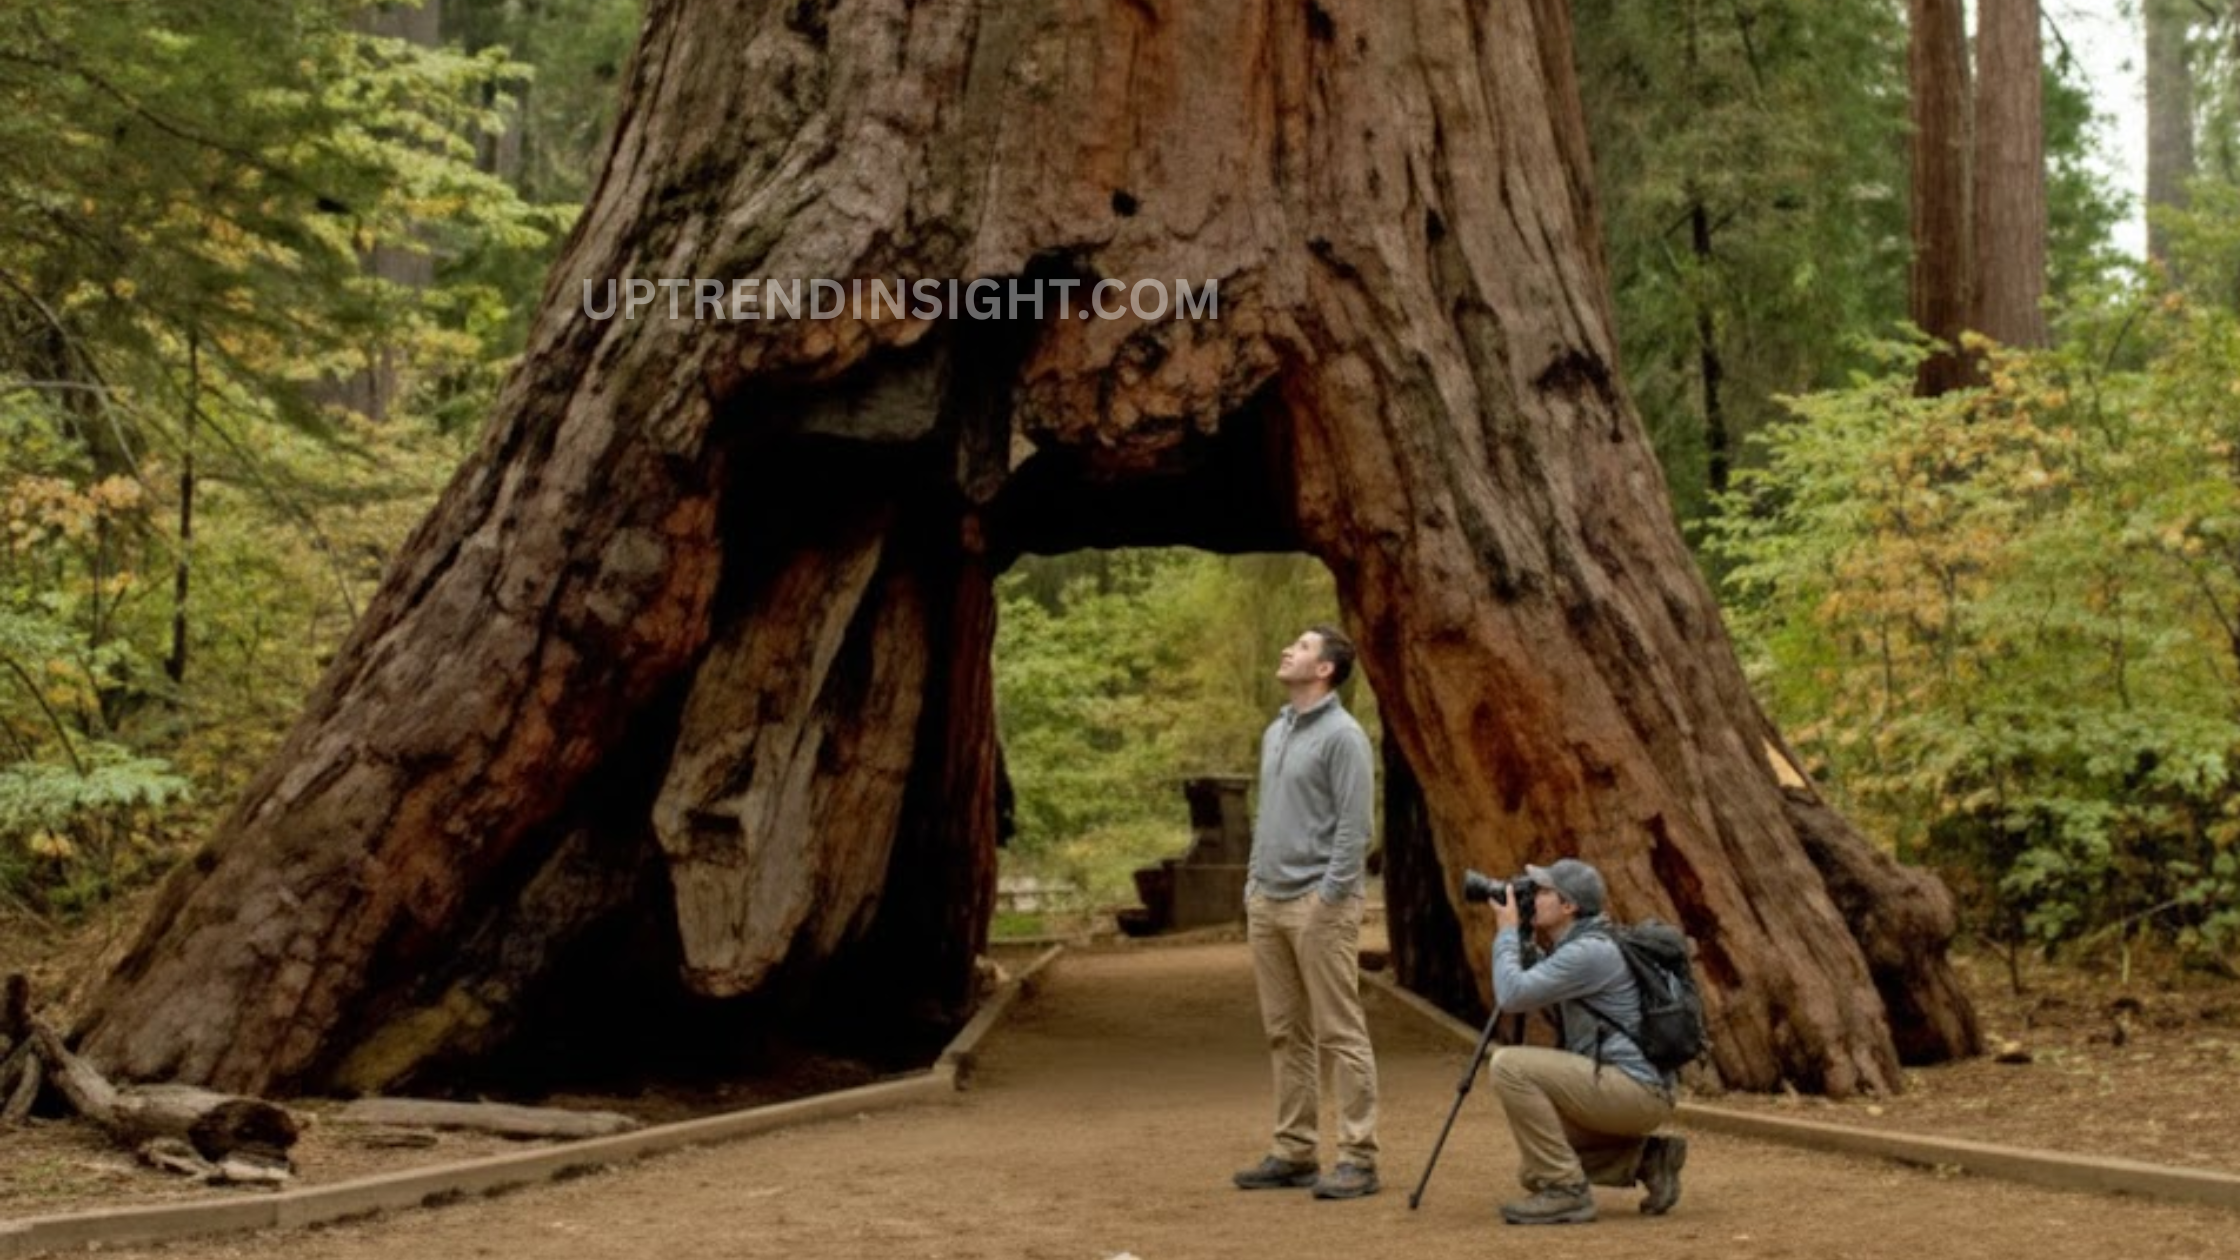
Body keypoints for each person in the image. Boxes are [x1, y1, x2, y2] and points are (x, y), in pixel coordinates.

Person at [1231, 625, 1382, 1200]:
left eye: (1301, 646)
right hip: (1267, 901)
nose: (1288, 649)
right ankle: (1294, 1150)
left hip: (1318, 905)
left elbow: (1354, 826)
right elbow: (1270, 816)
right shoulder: (1277, 732)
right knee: (1283, 1031)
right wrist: (1252, 885)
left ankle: (1358, 1157)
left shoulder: (1343, 737)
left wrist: (1330, 895)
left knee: (1339, 1031)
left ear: (1324, 670)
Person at [1483, 857, 1687, 1225]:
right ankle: (1648, 1160)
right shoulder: (1580, 945)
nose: (1533, 897)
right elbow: (1534, 985)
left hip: (1633, 1089)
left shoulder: (1589, 952)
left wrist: (1506, 932)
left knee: (1508, 1065)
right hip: (1630, 1088)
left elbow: (1511, 995)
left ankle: (1567, 1195)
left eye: (1543, 891)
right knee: (1534, 1171)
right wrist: (1523, 942)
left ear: (1569, 906)